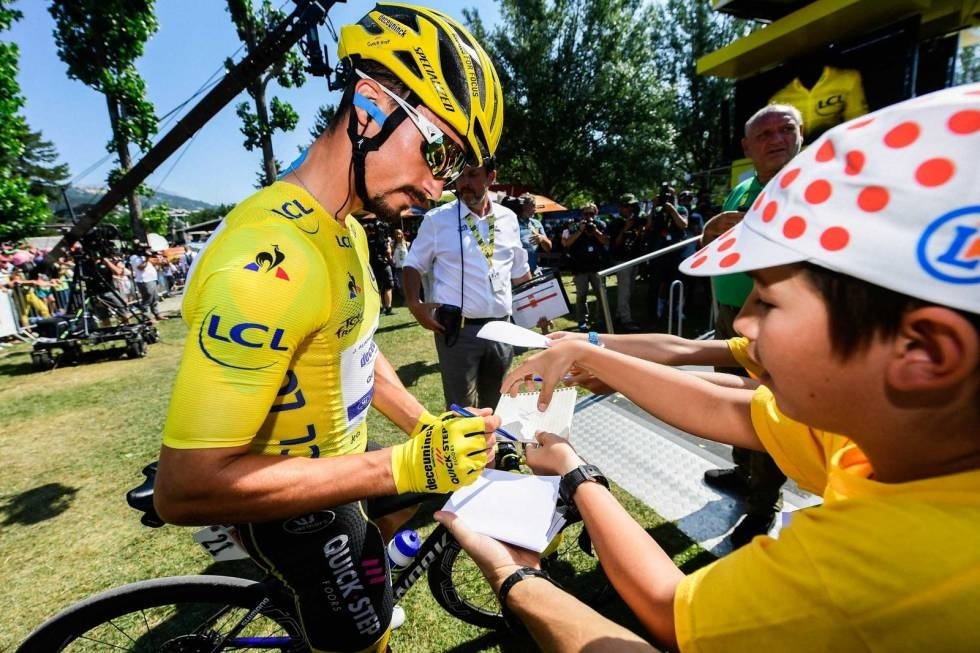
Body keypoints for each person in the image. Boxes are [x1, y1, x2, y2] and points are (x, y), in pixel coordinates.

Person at [438, 84, 980, 651]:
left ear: (926, 353)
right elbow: (728, 406)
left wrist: (520, 567)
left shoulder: (885, 566)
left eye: (767, 301)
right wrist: (592, 353)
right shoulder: (886, 435)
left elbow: (671, 610)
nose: (743, 321)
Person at [154, 6, 504, 652]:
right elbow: (183, 490)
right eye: (439, 153)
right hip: (295, 512)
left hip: (335, 480)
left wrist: (422, 426)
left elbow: (354, 352)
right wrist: (400, 464)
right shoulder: (269, 262)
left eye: (455, 169)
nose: (438, 187)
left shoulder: (344, 229)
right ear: (370, 107)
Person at [698, 104, 803, 546]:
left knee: (768, 406)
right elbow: (719, 243)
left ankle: (763, 505)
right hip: (728, 312)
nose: (776, 138)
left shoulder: (810, 187)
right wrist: (712, 234)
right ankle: (744, 472)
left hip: (775, 319)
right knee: (734, 400)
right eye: (764, 134)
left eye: (786, 129)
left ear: (801, 134)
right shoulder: (742, 190)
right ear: (747, 147)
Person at [402, 159, 532, 411]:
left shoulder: (508, 218)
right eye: (459, 177)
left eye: (472, 175)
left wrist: (540, 309)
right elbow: (413, 264)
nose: (463, 184)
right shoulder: (437, 219)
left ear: (491, 177)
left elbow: (519, 273)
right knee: (462, 410)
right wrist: (414, 303)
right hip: (458, 332)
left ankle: (494, 438)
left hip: (502, 329)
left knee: (498, 403)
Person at [561, 202, 609, 332]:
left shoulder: (601, 224)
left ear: (596, 213)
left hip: (597, 266)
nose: (588, 216)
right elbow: (566, 243)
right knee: (581, 295)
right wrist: (580, 230)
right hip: (580, 267)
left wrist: (595, 231)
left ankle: (601, 320)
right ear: (582, 214)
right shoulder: (575, 226)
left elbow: (606, 241)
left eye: (591, 213)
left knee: (601, 295)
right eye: (586, 213)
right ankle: (582, 320)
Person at [606, 193, 643, 331]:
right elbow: (614, 244)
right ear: (621, 207)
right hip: (621, 260)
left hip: (634, 259)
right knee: (624, 291)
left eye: (632, 206)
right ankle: (626, 320)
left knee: (630, 290)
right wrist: (626, 228)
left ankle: (619, 315)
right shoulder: (615, 222)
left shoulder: (637, 220)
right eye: (627, 206)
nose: (630, 209)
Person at [516, 193, 552, 275]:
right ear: (524, 206)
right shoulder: (512, 222)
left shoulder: (536, 223)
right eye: (533, 206)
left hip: (533, 269)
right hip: (517, 271)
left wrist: (542, 239)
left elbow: (548, 248)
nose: (535, 209)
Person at [365, 219, 395, 315]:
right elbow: (388, 252)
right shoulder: (382, 239)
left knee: (376, 287)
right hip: (383, 264)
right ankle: (388, 308)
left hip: (372, 265)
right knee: (388, 286)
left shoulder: (366, 240)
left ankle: (380, 308)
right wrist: (391, 260)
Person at [128, 244, 164, 321]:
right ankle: (146, 317)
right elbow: (141, 267)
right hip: (144, 280)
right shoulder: (134, 257)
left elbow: (153, 264)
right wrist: (147, 257)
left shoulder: (143, 256)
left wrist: (157, 260)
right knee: (148, 299)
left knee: (154, 298)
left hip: (152, 279)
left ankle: (156, 314)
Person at [390, 227, 410, 299]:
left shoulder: (407, 244)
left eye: (399, 234)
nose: (398, 236)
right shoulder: (392, 245)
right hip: (398, 268)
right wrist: (392, 261)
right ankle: (406, 298)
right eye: (396, 234)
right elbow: (391, 255)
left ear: (402, 234)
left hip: (407, 268)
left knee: (408, 284)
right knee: (400, 286)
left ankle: (408, 299)